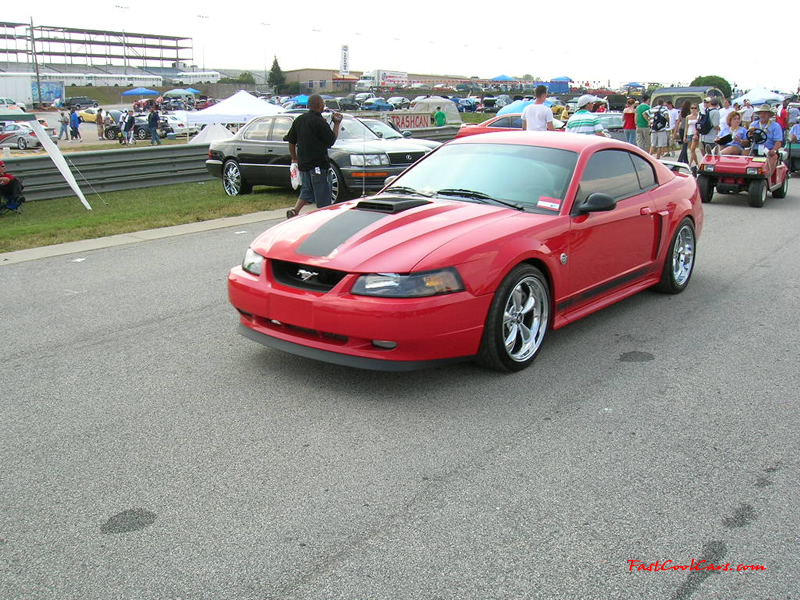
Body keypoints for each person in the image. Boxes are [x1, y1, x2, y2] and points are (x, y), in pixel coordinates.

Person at [285, 94, 343, 218]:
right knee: (323, 194)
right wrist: (337, 124)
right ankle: (323, 217)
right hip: (318, 165)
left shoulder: (299, 120)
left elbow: (291, 141)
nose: (324, 105)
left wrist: (294, 158)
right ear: (319, 105)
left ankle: (295, 211)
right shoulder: (319, 121)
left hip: (303, 164)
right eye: (323, 103)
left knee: (307, 190)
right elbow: (331, 140)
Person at [748, 104, 783, 173]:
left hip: (768, 150)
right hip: (754, 149)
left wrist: (774, 150)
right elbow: (748, 138)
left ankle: (768, 176)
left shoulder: (775, 126)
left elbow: (778, 142)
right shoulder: (753, 125)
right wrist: (750, 133)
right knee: (744, 154)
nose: (762, 115)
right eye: (761, 113)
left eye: (765, 113)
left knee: (773, 157)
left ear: (769, 115)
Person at [683, 103, 702, 174]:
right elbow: (686, 127)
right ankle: (696, 164)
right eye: (692, 108)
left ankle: (690, 164)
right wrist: (684, 136)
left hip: (696, 134)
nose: (693, 109)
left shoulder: (699, 116)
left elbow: (699, 125)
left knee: (692, 149)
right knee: (691, 150)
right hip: (689, 133)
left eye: (695, 108)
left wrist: (696, 133)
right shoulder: (688, 117)